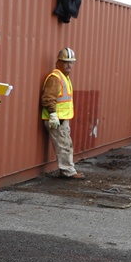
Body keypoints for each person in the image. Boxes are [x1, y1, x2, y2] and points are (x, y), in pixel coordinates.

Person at [41, 47, 85, 179]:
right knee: (64, 145)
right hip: (56, 118)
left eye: (71, 62)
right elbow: (48, 98)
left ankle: (67, 170)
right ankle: (68, 172)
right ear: (58, 62)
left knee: (65, 144)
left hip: (61, 118)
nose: (69, 65)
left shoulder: (64, 77)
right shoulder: (55, 78)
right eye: (66, 62)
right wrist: (53, 114)